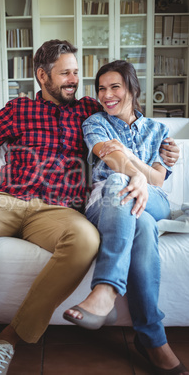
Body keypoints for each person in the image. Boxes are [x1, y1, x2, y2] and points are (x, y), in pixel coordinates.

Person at [0, 41, 179, 375]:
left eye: (76, 72)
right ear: (43, 76)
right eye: (66, 73)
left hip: (60, 210)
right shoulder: (19, 110)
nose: (75, 79)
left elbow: (127, 123)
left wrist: (166, 151)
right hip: (5, 200)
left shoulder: (91, 110)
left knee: (86, 240)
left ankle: (10, 338)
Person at [63, 60, 188, 375]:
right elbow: (112, 158)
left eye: (114, 87)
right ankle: (153, 342)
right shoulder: (94, 122)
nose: (107, 95)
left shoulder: (159, 131)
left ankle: (105, 290)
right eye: (102, 88)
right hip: (105, 201)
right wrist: (136, 169)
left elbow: (158, 181)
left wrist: (136, 169)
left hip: (154, 199)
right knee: (140, 218)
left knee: (126, 184)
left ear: (132, 88)